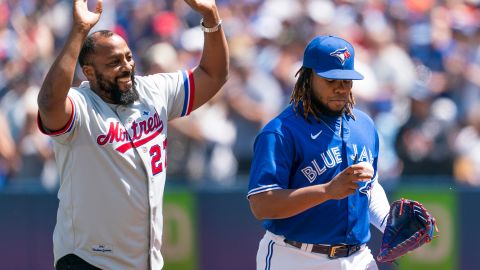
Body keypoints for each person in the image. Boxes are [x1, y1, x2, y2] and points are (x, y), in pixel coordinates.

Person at [37, 0, 228, 269]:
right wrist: (79, 31)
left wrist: (211, 16)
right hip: (87, 260)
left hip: (145, 262)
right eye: (114, 62)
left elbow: (214, 73)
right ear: (89, 72)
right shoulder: (80, 106)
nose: (126, 66)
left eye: (128, 57)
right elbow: (48, 103)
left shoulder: (154, 91)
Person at [247, 35, 390, 270]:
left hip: (358, 257)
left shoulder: (363, 125)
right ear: (308, 77)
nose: (340, 88)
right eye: (331, 79)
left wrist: (389, 222)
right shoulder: (281, 131)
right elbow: (261, 204)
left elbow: (369, 186)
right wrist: (326, 191)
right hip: (294, 256)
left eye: (346, 81)